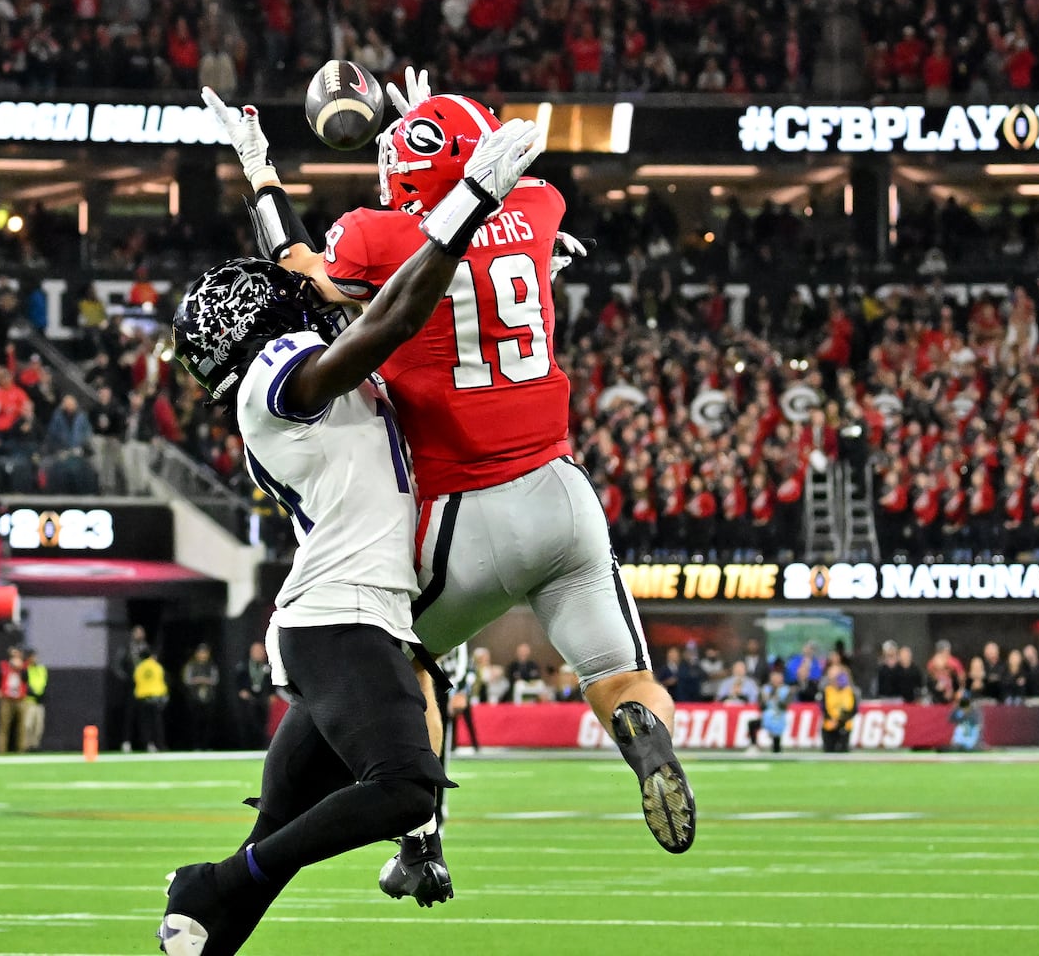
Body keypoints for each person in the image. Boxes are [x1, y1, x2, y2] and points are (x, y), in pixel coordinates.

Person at [207, 73, 695, 899]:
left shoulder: (375, 236)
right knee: (617, 673)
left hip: (462, 506)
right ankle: (642, 734)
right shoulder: (538, 212)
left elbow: (297, 270)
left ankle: (421, 840)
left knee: (404, 659)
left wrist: (260, 171)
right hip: (563, 491)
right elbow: (486, 179)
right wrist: (426, 120)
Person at [159, 116, 539, 955]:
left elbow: (298, 260)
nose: (278, 286)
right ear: (246, 327)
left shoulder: (282, 353)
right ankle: (214, 886)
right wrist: (469, 205)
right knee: (404, 789)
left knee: (273, 850)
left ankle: (205, 917)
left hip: (350, 614)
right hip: (338, 616)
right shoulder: (273, 383)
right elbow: (387, 323)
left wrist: (259, 169)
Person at [182, 643, 221, 750]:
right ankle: (196, 745)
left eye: (205, 653)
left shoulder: (211, 666)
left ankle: (207, 745)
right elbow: (187, 680)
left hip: (208, 698)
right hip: (194, 698)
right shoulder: (191, 666)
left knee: (208, 723)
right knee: (195, 722)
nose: (203, 655)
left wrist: (202, 680)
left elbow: (215, 680)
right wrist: (200, 680)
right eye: (200, 652)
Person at [234, 640, 271, 750]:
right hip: (248, 699)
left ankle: (262, 746)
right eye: (256, 651)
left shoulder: (268, 666)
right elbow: (238, 680)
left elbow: (271, 681)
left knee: (263, 723)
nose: (259, 653)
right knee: (248, 721)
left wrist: (271, 694)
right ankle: (247, 747)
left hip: (263, 698)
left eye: (261, 650)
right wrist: (242, 690)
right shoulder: (244, 665)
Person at [747, 669, 792, 754]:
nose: (775, 680)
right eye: (773, 677)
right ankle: (753, 745)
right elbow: (761, 706)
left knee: (776, 748)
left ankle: (777, 750)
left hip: (778, 719)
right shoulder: (765, 689)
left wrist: (777, 697)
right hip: (767, 718)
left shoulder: (786, 690)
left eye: (777, 677)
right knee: (752, 724)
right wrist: (764, 700)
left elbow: (784, 706)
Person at [133, 649, 169, 752]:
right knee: (157, 724)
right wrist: (164, 696)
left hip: (142, 698)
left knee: (145, 723)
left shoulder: (139, 667)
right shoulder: (157, 666)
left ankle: (147, 744)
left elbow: (136, 680)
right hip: (155, 698)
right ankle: (160, 745)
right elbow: (161, 681)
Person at [0, 645, 28, 753]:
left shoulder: (24, 666)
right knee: (4, 726)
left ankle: (21, 750)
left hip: (20, 699)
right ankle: (1, 751)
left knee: (22, 726)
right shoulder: (3, 665)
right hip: (6, 699)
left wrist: (20, 668)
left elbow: (26, 679)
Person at [820, 664, 857, 753]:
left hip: (845, 726)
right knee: (828, 750)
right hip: (829, 725)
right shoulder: (827, 691)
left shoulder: (849, 691)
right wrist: (831, 719)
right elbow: (823, 708)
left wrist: (840, 721)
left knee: (843, 750)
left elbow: (853, 709)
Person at [22, 648, 47, 751]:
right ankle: (25, 746)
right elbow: (24, 684)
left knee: (38, 726)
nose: (34, 658)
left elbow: (45, 683)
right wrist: (32, 693)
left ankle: (35, 746)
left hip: (39, 701)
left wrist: (41, 695)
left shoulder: (41, 668)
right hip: (29, 700)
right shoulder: (26, 669)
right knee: (27, 725)